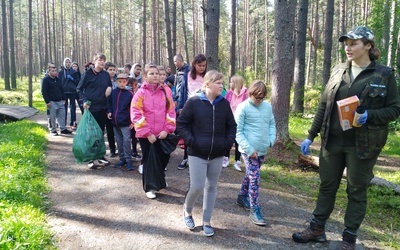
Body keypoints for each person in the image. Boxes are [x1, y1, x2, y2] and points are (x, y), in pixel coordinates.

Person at [292, 26, 400, 249]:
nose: (348, 48)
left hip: (363, 145)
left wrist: (370, 115)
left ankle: (348, 239)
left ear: (368, 46)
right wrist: (310, 136)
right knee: (327, 185)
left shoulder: (384, 74)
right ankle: (317, 229)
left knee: (356, 190)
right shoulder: (339, 70)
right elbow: (324, 104)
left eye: (353, 44)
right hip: (333, 141)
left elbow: (394, 109)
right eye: (346, 44)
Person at [177, 70, 236, 237]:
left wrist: (226, 144)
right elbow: (182, 124)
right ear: (208, 83)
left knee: (211, 187)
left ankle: (207, 220)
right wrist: (192, 142)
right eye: (219, 83)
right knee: (197, 186)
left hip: (217, 154)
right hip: (197, 153)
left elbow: (232, 126)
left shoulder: (224, 104)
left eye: (222, 83)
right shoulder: (194, 102)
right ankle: (187, 211)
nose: (222, 86)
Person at [131, 64, 176, 199]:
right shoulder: (140, 93)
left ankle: (159, 179)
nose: (155, 75)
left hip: (162, 134)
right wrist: (147, 133)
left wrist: (167, 130)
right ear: (145, 77)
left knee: (163, 157)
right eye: (151, 73)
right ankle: (150, 187)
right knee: (149, 160)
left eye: (157, 73)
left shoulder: (165, 92)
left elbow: (171, 111)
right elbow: (136, 114)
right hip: (146, 136)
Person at [234, 80, 275, 226]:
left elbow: (272, 124)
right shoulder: (242, 107)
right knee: (255, 178)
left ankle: (241, 197)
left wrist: (271, 140)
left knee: (250, 175)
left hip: (262, 149)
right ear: (250, 94)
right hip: (248, 151)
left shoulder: (267, 107)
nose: (259, 101)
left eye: (261, 98)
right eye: (256, 97)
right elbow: (237, 132)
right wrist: (249, 150)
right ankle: (254, 209)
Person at [77, 53, 112, 169]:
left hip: (102, 108)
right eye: (100, 60)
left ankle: (100, 155)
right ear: (95, 61)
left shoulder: (106, 75)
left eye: (104, 60)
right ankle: (90, 158)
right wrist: (85, 100)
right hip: (91, 108)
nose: (102, 62)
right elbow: (79, 89)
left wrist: (109, 89)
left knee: (100, 132)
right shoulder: (87, 74)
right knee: (91, 133)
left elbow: (109, 86)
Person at [175, 54, 207, 170]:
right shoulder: (188, 76)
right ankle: (185, 158)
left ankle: (199, 158)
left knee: (200, 133)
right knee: (188, 134)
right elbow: (182, 92)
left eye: (204, 65)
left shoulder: (207, 77)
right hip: (189, 108)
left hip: (203, 109)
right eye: (199, 65)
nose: (202, 68)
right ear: (194, 65)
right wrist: (181, 106)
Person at [107, 74, 134, 171]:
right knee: (119, 141)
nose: (122, 84)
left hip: (125, 123)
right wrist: (109, 111)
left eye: (124, 82)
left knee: (126, 141)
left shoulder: (130, 94)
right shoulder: (114, 92)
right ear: (116, 82)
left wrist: (132, 121)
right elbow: (109, 102)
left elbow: (133, 108)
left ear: (127, 82)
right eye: (120, 82)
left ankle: (129, 160)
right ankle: (122, 159)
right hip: (115, 122)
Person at [224, 75, 248, 171]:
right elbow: (225, 104)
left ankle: (237, 161)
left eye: (232, 82)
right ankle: (226, 159)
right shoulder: (229, 93)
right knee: (228, 139)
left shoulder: (246, 93)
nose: (230, 84)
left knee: (238, 141)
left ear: (237, 83)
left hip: (240, 120)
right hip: (229, 119)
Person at [41, 63, 72, 136]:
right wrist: (47, 101)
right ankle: (53, 130)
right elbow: (44, 91)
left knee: (62, 115)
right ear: (49, 71)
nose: (55, 72)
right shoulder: (46, 80)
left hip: (59, 101)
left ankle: (63, 128)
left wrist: (64, 98)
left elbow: (61, 89)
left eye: (55, 71)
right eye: (53, 71)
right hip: (51, 102)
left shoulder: (58, 80)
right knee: (52, 117)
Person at [59, 58, 79, 130]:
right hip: (64, 92)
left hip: (72, 92)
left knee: (73, 108)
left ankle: (72, 123)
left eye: (69, 62)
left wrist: (72, 79)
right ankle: (63, 123)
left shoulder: (74, 72)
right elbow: (59, 83)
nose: (68, 63)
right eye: (66, 62)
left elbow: (77, 82)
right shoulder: (61, 72)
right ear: (64, 63)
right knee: (64, 108)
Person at [127, 77, 142, 166]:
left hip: (134, 120)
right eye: (135, 85)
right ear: (130, 85)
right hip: (130, 120)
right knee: (130, 137)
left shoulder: (135, 94)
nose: (137, 87)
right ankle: (131, 152)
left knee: (134, 137)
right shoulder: (130, 94)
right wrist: (131, 122)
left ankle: (134, 151)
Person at [104, 62, 118, 157]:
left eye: (113, 70)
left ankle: (122, 148)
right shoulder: (103, 80)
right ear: (106, 70)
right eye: (110, 70)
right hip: (106, 107)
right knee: (109, 130)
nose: (112, 72)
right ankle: (112, 148)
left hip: (117, 108)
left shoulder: (119, 80)